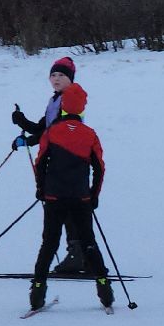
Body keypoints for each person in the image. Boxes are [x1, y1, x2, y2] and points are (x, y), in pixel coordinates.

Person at [30, 82, 113, 312]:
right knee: (88, 242)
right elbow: (100, 168)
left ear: (64, 107)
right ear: (82, 109)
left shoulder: (51, 132)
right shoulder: (90, 135)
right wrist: (93, 195)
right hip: (81, 199)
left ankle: (37, 290)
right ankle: (104, 288)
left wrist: (41, 189)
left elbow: (40, 163)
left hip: (54, 197)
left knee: (49, 243)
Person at [13, 56, 90, 275]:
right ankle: (81, 253)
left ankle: (78, 254)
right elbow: (43, 128)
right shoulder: (56, 99)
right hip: (58, 158)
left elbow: (52, 132)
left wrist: (30, 139)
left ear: (70, 79)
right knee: (67, 208)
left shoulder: (71, 100)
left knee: (66, 207)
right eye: (53, 75)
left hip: (67, 159)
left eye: (61, 75)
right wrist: (22, 122)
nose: (56, 79)